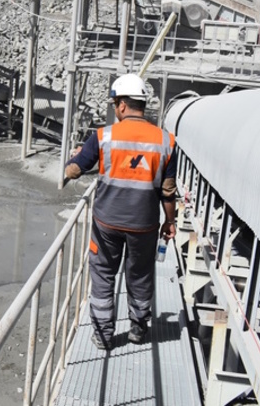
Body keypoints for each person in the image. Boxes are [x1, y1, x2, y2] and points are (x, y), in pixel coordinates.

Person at [63, 73, 177, 350]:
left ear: (123, 106)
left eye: (115, 104)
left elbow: (74, 171)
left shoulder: (103, 136)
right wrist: (170, 222)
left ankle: (103, 335)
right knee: (139, 274)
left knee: (103, 274)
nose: (115, 109)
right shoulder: (166, 141)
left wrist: (75, 158)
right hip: (145, 224)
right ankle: (138, 328)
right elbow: (168, 190)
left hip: (107, 223)